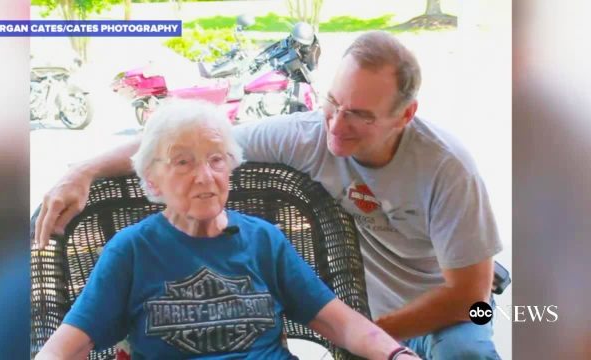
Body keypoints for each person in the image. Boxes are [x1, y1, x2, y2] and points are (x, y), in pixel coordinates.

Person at [35, 31, 503, 359]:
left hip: (448, 309)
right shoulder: (306, 136)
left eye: (360, 115)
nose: (337, 128)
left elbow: (469, 294)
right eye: (333, 103)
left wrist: (378, 344)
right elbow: (188, 139)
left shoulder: (446, 168)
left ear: (405, 116)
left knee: (469, 350)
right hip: (373, 314)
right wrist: (85, 169)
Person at [35, 99, 417, 360]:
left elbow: (340, 322)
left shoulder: (263, 240)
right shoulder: (132, 251)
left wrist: (397, 354)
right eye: (183, 162)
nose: (205, 177)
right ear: (152, 181)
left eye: (216, 160)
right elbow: (63, 347)